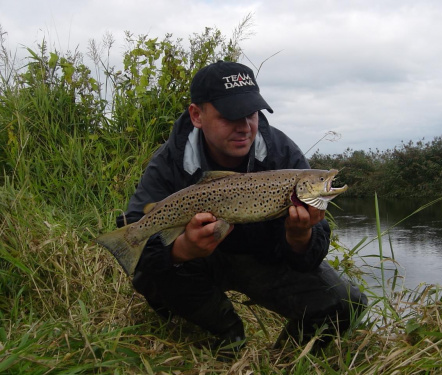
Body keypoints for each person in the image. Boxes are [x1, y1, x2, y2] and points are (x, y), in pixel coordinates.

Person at [116, 61, 367, 352]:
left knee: (347, 303)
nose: (244, 127)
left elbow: (309, 256)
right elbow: (137, 236)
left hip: (262, 262)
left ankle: (286, 361)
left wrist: (300, 238)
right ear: (197, 115)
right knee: (150, 272)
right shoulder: (170, 161)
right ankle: (223, 334)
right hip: (195, 267)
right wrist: (182, 249)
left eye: (251, 114)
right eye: (230, 116)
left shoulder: (283, 155)